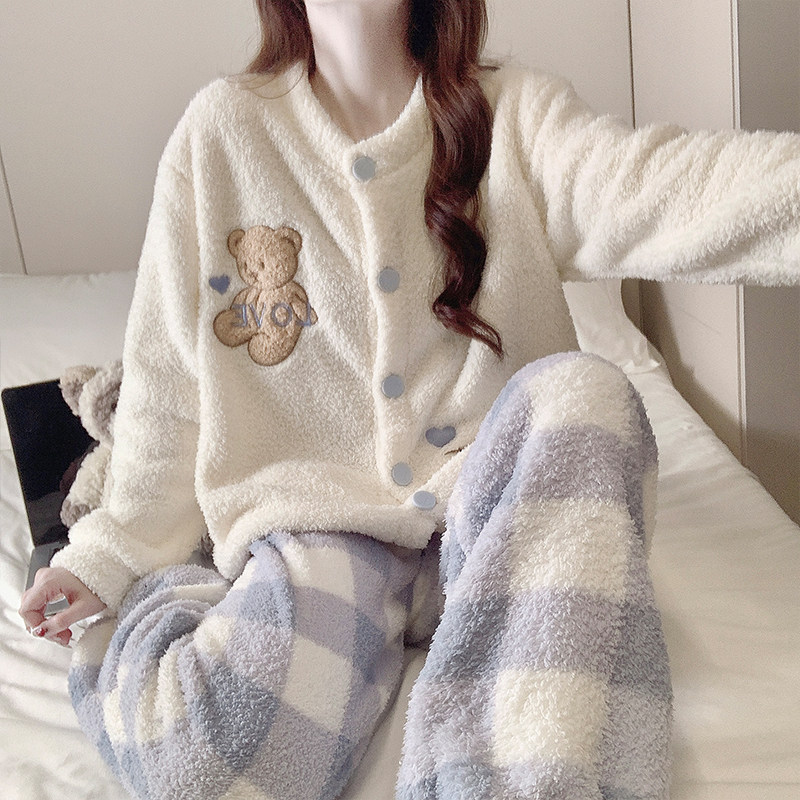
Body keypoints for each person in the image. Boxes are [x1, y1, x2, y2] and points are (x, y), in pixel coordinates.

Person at [18, 1, 799, 798]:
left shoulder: (515, 114)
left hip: (496, 512)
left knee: (586, 396)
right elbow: (170, 381)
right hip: (323, 528)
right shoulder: (222, 133)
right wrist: (116, 550)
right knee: (202, 760)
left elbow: (673, 189)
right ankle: (178, 603)